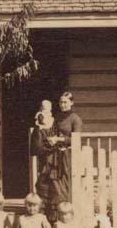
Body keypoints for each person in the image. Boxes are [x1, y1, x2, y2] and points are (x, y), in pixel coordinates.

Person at [34, 91, 83, 220]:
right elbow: (51, 131)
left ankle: (65, 215)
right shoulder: (57, 117)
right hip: (54, 155)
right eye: (61, 102)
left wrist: (59, 139)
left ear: (71, 103)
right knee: (49, 181)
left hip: (67, 155)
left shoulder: (75, 119)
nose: (63, 105)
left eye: (65, 102)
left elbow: (75, 139)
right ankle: (52, 215)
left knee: (63, 185)